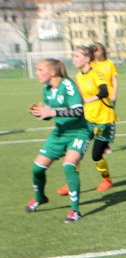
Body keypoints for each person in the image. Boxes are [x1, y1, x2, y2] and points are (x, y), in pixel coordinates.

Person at [26, 58, 88, 223]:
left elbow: (78, 111)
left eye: (40, 70)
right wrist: (39, 112)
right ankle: (40, 198)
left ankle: (75, 211)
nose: (37, 73)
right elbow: (49, 113)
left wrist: (53, 112)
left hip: (78, 132)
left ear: (52, 72)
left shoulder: (67, 85)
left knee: (69, 165)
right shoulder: (47, 89)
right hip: (59, 133)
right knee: (37, 169)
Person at [72, 45, 117, 191]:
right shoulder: (78, 76)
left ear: (87, 58)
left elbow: (104, 92)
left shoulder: (96, 73)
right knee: (75, 152)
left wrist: (88, 100)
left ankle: (107, 179)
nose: (74, 59)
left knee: (96, 155)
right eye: (73, 56)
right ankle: (72, 183)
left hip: (104, 120)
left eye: (77, 56)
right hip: (87, 120)